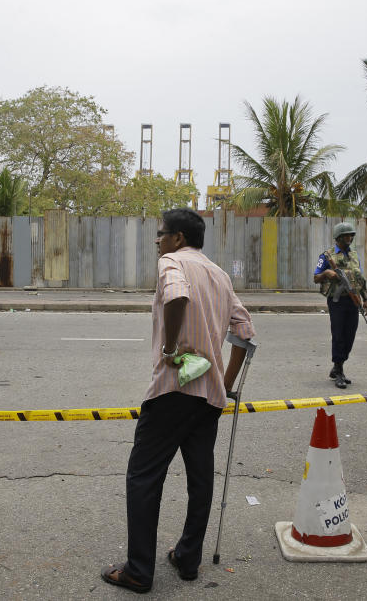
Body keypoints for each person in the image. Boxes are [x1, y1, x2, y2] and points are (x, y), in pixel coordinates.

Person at [101, 208, 255, 594]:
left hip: (173, 390)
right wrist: (226, 381)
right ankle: (188, 558)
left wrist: (170, 347)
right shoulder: (219, 274)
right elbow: (245, 330)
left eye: (161, 234)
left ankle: (138, 571)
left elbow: (176, 296)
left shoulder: (172, 262)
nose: (157, 241)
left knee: (143, 476)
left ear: (178, 238)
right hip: (209, 398)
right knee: (200, 479)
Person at [313, 222, 367, 389]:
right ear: (338, 237)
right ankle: (339, 370)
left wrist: (366, 299)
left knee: (350, 336)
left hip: (353, 300)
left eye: (351, 235)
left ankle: (338, 365)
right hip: (336, 301)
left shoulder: (354, 255)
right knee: (338, 335)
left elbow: (360, 279)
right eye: (346, 236)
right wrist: (326, 273)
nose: (350, 238)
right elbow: (315, 277)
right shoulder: (326, 256)